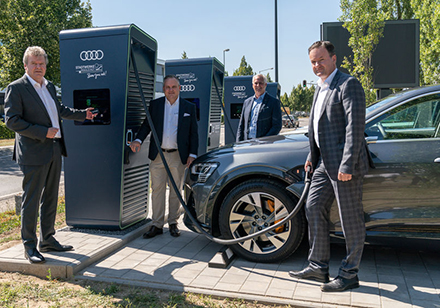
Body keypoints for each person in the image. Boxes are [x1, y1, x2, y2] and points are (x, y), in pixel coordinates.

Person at [289, 41, 370, 292]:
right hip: (324, 163)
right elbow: (317, 128)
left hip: (345, 166)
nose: (317, 65)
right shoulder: (320, 88)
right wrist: (313, 156)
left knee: (350, 220)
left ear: (333, 59)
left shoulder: (348, 84)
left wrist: (347, 164)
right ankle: (318, 266)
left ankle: (349, 274)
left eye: (321, 60)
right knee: (312, 206)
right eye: (313, 61)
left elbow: (354, 128)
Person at [5, 46, 96, 264]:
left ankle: (48, 239)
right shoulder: (16, 88)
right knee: (32, 200)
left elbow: (58, 109)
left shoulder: (49, 86)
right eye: (34, 63)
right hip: (33, 151)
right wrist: (42, 132)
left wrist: (83, 114)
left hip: (55, 148)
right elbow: (12, 120)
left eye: (42, 63)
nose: (39, 67)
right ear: (25, 65)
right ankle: (29, 246)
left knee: (51, 197)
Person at [130, 75, 198, 238]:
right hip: (158, 155)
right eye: (167, 87)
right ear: (163, 89)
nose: (171, 90)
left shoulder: (189, 107)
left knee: (175, 190)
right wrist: (138, 139)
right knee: (157, 190)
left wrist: (192, 154)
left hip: (178, 156)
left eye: (174, 87)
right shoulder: (156, 105)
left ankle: (173, 223)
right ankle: (157, 224)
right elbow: (147, 124)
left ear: (179, 88)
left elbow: (193, 132)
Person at [236, 74, 282, 142]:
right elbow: (241, 126)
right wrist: (238, 143)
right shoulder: (247, 102)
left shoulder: (274, 102)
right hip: (247, 143)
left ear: (265, 85)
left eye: (261, 83)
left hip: (263, 145)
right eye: (256, 83)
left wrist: (264, 141)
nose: (258, 85)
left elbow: (277, 126)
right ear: (252, 85)